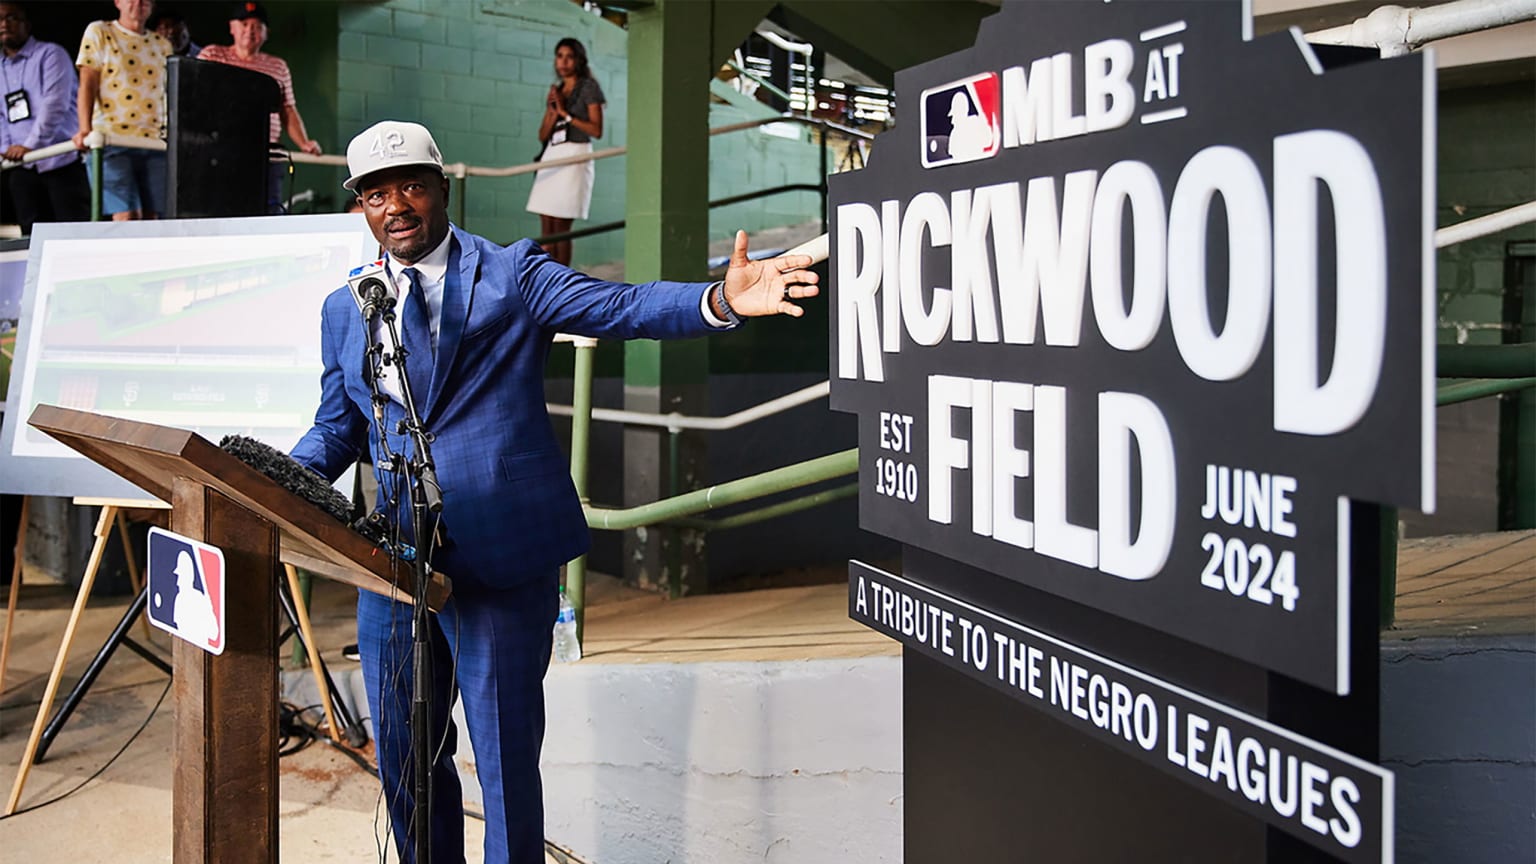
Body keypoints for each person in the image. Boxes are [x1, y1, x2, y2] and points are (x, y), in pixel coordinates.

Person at [291, 120, 818, 864]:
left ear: (441, 188)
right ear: (363, 208)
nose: (396, 206)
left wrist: (719, 301)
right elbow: (337, 427)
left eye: (411, 185)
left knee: (504, 765)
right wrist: (273, 474)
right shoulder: (346, 308)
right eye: (377, 194)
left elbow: (624, 308)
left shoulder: (511, 272)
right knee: (407, 761)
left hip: (502, 560)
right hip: (393, 564)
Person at [197, 1, 321, 213]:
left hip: (267, 155)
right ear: (232, 28)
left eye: (257, 26)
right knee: (220, 210)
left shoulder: (277, 66)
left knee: (267, 213)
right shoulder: (212, 55)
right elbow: (194, 98)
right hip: (221, 152)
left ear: (266, 32)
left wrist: (304, 143)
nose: (250, 31)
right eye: (244, 24)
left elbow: (287, 109)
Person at [73, 0, 171, 220]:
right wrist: (85, 129)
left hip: (154, 142)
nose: (139, 3)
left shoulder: (162, 44)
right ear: (118, 2)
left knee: (152, 218)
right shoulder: (100, 31)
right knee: (127, 216)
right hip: (111, 140)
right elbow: (87, 82)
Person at [0, 1, 90, 233]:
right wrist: (6, 148)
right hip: (21, 169)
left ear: (26, 25)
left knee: (74, 239)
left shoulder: (51, 54)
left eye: (11, 18)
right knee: (31, 242)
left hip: (61, 162)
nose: (4, 24)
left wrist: (29, 146)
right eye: (0, 19)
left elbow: (54, 105)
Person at [525, 36, 603, 266]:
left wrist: (566, 113)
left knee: (561, 225)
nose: (564, 62)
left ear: (578, 60)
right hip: (552, 153)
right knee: (547, 223)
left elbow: (596, 129)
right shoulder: (557, 89)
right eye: (560, 56)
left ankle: (563, 280)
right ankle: (546, 277)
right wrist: (553, 111)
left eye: (569, 57)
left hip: (575, 154)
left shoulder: (589, 86)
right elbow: (542, 135)